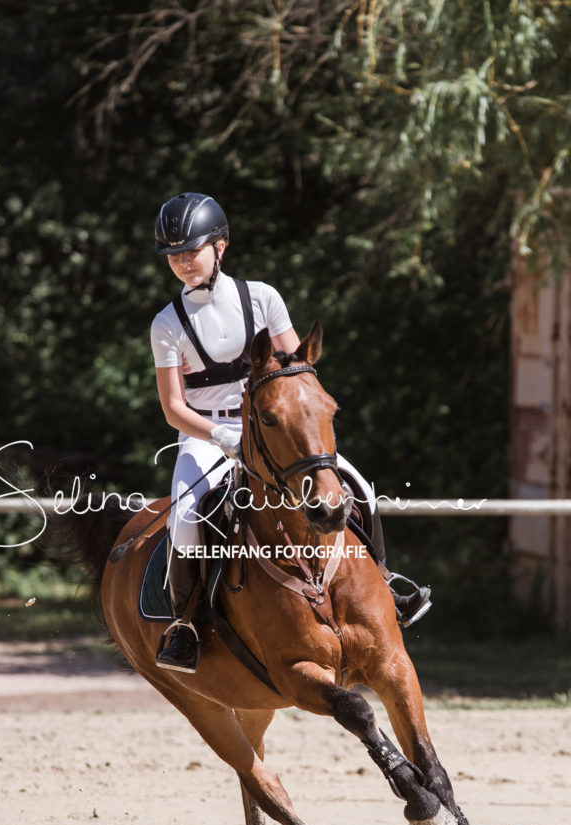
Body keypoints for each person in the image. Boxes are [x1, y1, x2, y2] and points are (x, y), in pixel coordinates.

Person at [150, 192, 430, 673]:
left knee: (358, 488)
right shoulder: (166, 324)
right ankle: (186, 624)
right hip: (207, 434)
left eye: (191, 251)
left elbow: (299, 368)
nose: (182, 262)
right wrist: (223, 438)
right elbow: (174, 408)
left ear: (220, 246)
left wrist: (300, 424)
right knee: (186, 518)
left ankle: (386, 583)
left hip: (277, 429)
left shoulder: (262, 298)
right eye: (173, 255)